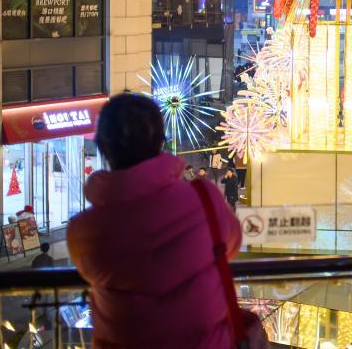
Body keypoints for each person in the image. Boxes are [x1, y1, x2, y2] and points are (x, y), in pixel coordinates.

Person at [67, 93, 268, 348]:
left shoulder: (84, 232)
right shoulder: (204, 200)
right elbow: (231, 243)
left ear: (104, 148)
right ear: (160, 141)